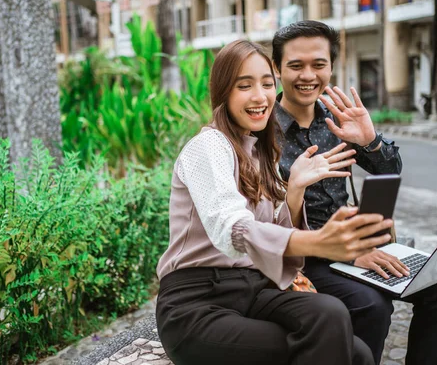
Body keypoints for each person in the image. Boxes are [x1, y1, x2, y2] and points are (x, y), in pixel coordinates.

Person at [155, 39, 395, 365]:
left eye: (267, 84)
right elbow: (231, 229)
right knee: (332, 346)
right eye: (245, 85)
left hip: (253, 290)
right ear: (223, 92)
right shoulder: (208, 147)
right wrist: (319, 241)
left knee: (341, 327)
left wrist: (294, 189)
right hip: (196, 303)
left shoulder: (261, 153)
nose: (260, 96)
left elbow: (280, 244)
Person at [272, 20, 437, 365]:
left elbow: (390, 173)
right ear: (276, 68)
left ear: (332, 65)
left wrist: (369, 141)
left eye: (319, 64)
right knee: (371, 304)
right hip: (301, 255)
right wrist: (345, 252)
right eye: (295, 65)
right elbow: (265, 219)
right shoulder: (264, 130)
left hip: (356, 246)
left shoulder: (337, 119)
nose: (308, 75)